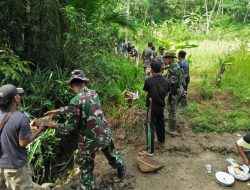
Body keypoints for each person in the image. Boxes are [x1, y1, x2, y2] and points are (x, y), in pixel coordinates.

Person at [44, 70, 126, 190]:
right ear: (84, 82)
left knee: (86, 166)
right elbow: (83, 105)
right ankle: (121, 167)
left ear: (72, 85)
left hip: (89, 140)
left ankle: (88, 186)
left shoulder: (75, 101)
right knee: (110, 153)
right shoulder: (93, 93)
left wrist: (53, 124)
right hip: (104, 132)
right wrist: (59, 110)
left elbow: (69, 128)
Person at [0, 84, 46, 190]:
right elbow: (23, 142)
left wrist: (28, 128)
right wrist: (38, 131)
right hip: (15, 169)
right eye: (18, 95)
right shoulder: (21, 118)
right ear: (15, 99)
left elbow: (7, 133)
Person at [142, 61, 169, 155]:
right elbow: (167, 92)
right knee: (160, 123)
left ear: (152, 69)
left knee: (150, 127)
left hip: (151, 106)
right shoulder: (166, 80)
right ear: (161, 69)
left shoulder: (149, 81)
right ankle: (161, 140)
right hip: (161, 105)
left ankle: (150, 151)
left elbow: (145, 89)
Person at [163, 52, 183, 133]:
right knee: (171, 108)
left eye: (166, 58)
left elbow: (172, 82)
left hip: (174, 91)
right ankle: (171, 124)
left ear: (171, 58)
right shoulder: (173, 65)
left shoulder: (174, 67)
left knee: (172, 109)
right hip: (174, 90)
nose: (165, 59)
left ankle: (171, 128)